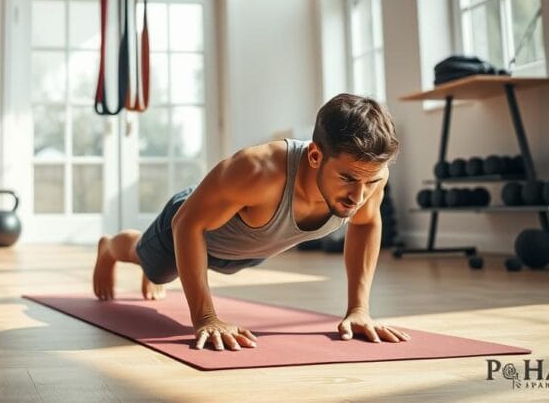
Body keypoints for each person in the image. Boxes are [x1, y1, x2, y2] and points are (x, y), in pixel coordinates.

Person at [92, 93, 411, 350]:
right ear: (315, 157)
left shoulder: (371, 177)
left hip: (249, 250)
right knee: (154, 267)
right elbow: (187, 224)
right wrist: (206, 318)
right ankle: (109, 248)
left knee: (164, 273)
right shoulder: (257, 170)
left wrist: (359, 309)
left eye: (370, 182)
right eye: (347, 178)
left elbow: (367, 223)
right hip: (194, 226)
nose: (359, 196)